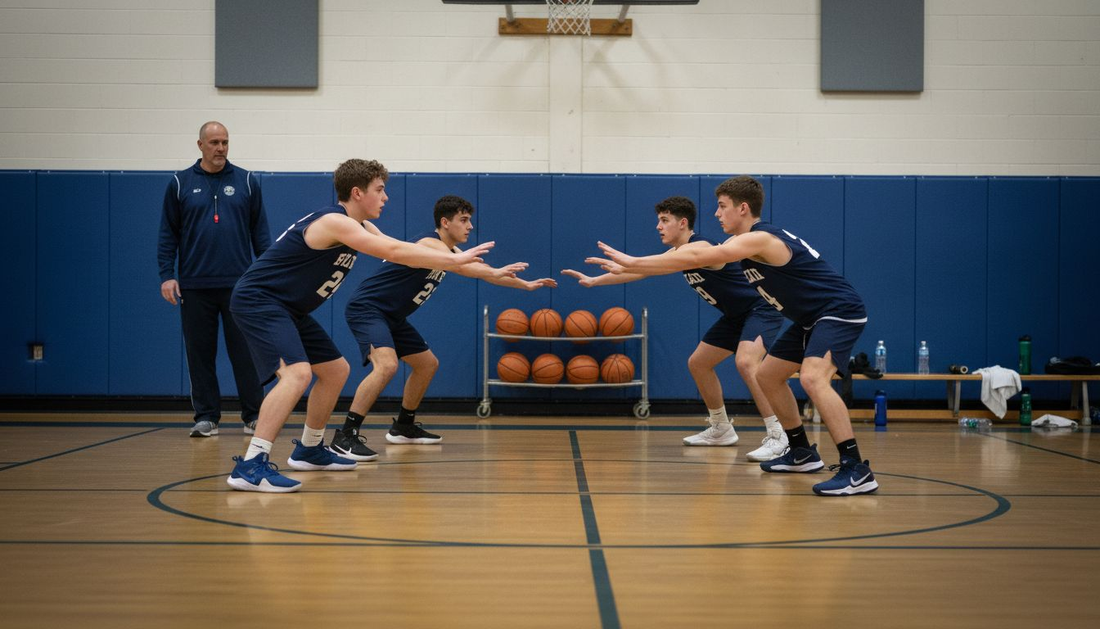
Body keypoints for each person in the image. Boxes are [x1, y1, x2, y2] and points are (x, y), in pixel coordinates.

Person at [588, 176, 877, 496]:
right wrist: (619, 273)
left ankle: (855, 468)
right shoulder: (739, 245)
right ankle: (801, 451)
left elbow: (697, 257)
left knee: (812, 379)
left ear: (743, 208)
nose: (716, 214)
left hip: (837, 310)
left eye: (722, 207)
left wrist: (634, 260)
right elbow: (683, 262)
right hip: (808, 317)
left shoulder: (760, 239)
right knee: (768, 375)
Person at [226, 160, 497, 493]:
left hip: (289, 308)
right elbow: (395, 251)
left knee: (336, 370)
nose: (385, 198)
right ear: (357, 192)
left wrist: (470, 264)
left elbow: (406, 252)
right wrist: (455, 259)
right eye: (379, 190)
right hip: (260, 300)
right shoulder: (335, 222)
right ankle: (251, 464)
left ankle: (310, 448)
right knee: (298, 374)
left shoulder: (358, 225)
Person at [330, 195, 556, 461]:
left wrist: (525, 285)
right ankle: (346, 435)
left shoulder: (450, 253)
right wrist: (476, 265)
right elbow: (467, 267)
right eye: (464, 220)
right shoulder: (430, 245)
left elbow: (486, 273)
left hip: (392, 316)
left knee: (427, 364)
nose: (470, 226)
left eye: (470, 219)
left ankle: (403, 426)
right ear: (445, 222)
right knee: (388, 365)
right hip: (367, 309)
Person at [562, 196, 788, 460]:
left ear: (682, 223)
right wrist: (594, 281)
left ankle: (779, 435)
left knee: (747, 363)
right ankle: (721, 428)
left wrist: (629, 260)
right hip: (736, 315)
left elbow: (642, 266)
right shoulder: (677, 253)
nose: (658, 226)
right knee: (699, 363)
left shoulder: (700, 246)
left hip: (761, 309)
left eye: (664, 220)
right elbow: (643, 271)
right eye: (658, 220)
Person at [158, 121, 270, 438]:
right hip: (194, 286)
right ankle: (207, 417)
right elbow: (168, 234)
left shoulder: (247, 181)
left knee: (246, 354)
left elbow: (261, 236)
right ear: (200, 145)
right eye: (214, 142)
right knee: (200, 354)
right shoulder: (180, 183)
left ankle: (254, 416)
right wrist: (167, 275)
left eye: (225, 142)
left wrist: (266, 278)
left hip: (241, 287)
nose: (220, 148)